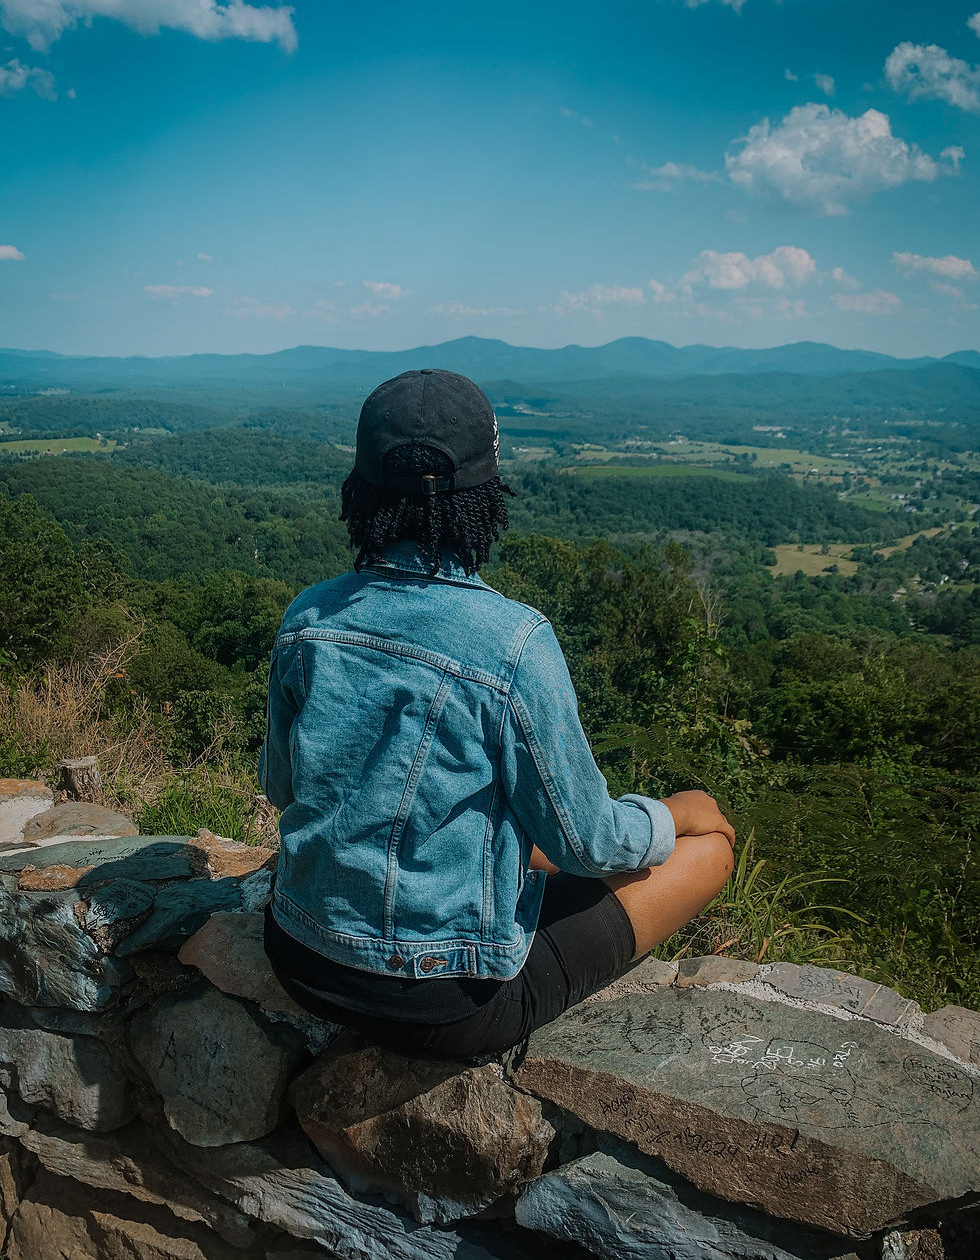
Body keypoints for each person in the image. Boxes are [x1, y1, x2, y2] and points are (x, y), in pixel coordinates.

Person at [260, 368, 734, 1059]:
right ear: (484, 498)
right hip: (444, 1000)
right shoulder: (513, 642)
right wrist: (680, 812)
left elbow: (283, 788)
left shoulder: (308, 618)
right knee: (710, 850)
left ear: (360, 492)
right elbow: (588, 843)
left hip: (300, 952)